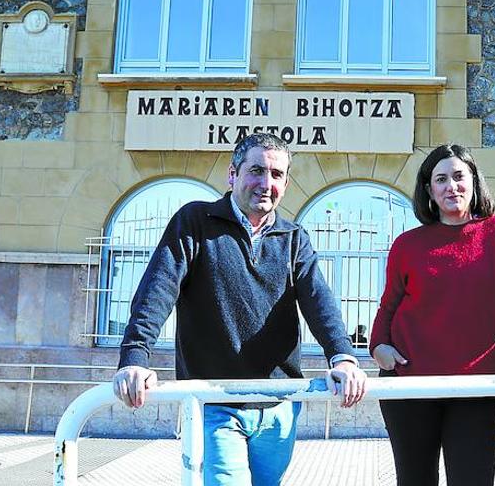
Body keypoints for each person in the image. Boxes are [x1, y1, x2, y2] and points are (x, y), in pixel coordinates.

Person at [112, 132, 367, 486]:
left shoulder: (293, 238)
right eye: (256, 171)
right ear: (232, 175)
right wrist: (135, 357)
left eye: (276, 175)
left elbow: (318, 299)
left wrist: (342, 357)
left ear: (285, 184)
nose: (266, 183)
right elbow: (157, 290)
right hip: (214, 401)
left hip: (278, 405)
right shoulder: (195, 222)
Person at [369, 143, 495, 486]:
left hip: (476, 387)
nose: (451, 186)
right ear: (429, 190)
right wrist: (379, 347)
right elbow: (389, 304)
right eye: (441, 180)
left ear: (474, 182)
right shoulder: (407, 244)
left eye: (458, 176)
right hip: (409, 384)